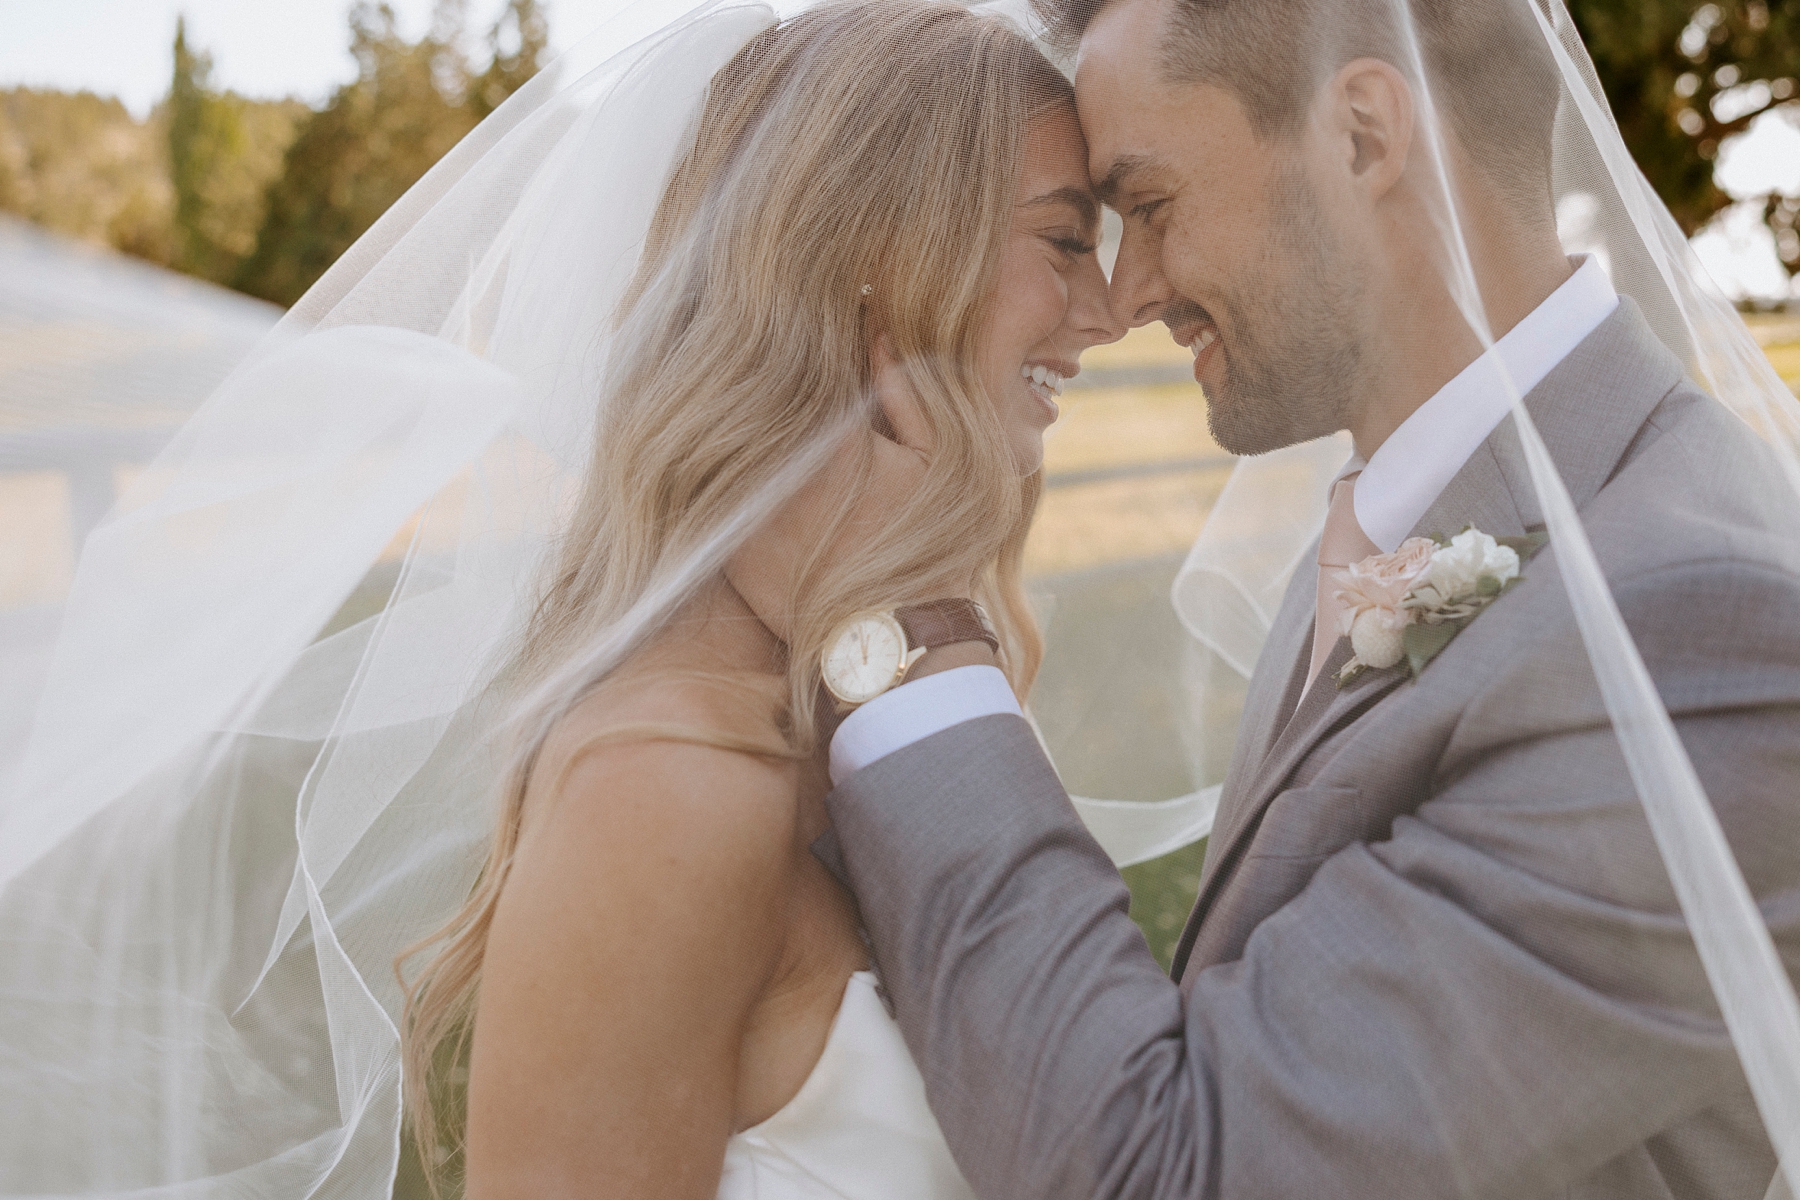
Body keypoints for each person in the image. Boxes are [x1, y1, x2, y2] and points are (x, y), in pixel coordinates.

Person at [768, 0, 1800, 1196]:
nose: (1130, 294)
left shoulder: (1691, 635)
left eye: (1148, 208)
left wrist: (904, 639)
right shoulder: (1417, 511)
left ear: (1363, 134)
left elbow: (1174, 1170)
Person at [394, 4, 1119, 1198]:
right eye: (1061, 241)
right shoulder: (671, 782)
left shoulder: (876, 688)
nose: (1106, 310)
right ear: (872, 269)